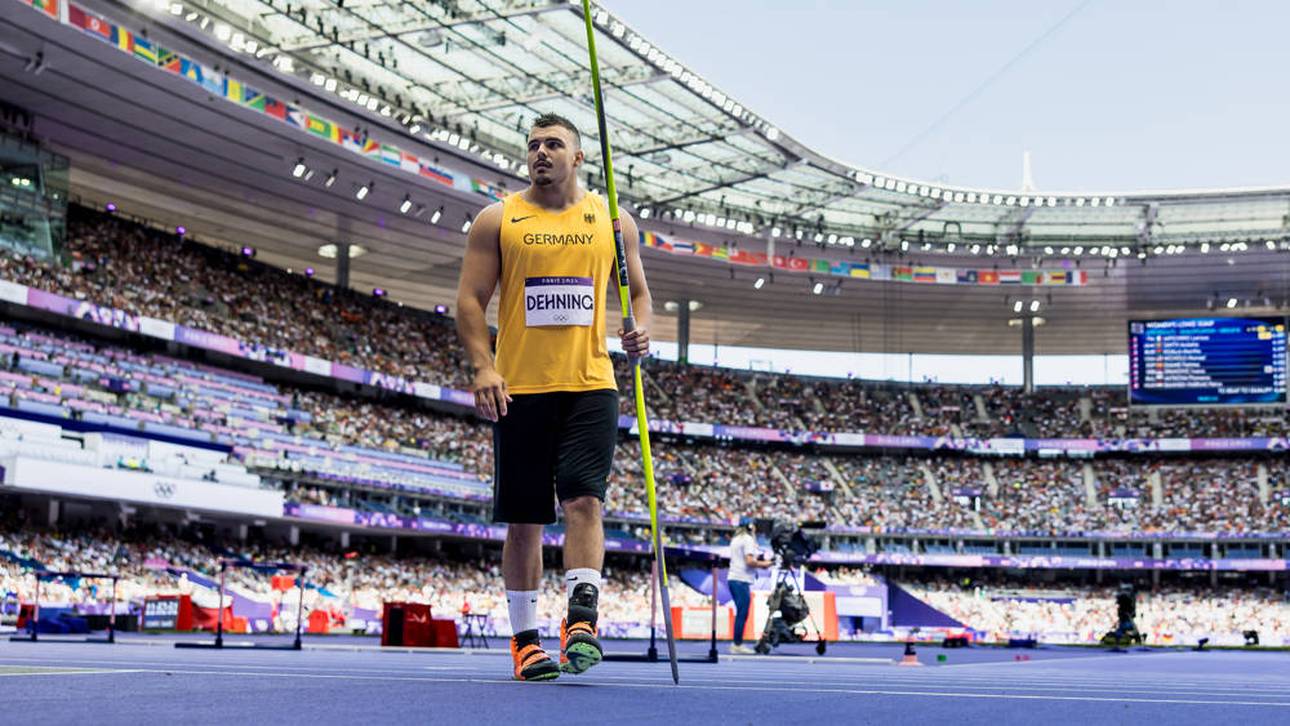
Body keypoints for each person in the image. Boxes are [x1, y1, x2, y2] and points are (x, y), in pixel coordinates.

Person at [456, 112, 652, 682]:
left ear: (578, 157)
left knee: (585, 500)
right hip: (521, 387)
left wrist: (639, 330)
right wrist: (483, 367)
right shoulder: (499, 218)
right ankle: (525, 642)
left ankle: (582, 620)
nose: (541, 153)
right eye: (534, 145)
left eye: (554, 145)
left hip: (592, 382)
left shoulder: (612, 222)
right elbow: (470, 300)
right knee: (524, 520)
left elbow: (639, 295)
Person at [727, 517, 771, 654]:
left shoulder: (736, 539)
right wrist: (766, 564)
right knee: (742, 613)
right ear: (751, 527)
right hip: (741, 579)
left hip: (735, 578)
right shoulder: (747, 539)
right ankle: (737, 644)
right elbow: (750, 561)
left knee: (741, 612)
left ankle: (737, 642)